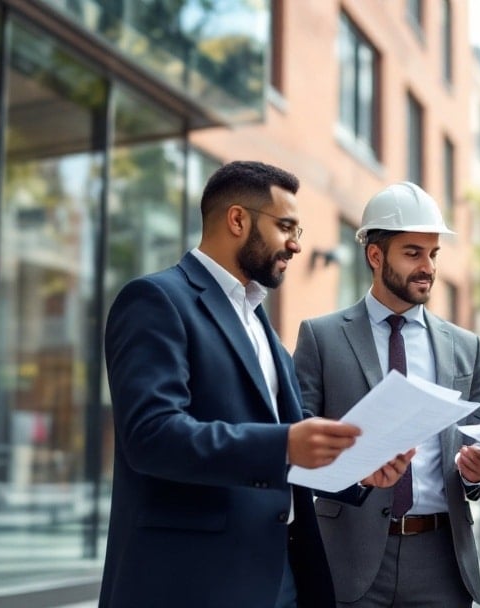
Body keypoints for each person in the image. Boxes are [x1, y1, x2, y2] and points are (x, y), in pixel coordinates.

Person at [100, 161, 408, 607]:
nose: (297, 244)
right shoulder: (156, 300)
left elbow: (288, 428)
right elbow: (150, 436)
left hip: (278, 577)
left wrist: (355, 466)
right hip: (193, 582)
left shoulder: (256, 317)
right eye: (286, 226)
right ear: (238, 219)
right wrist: (283, 445)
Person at [294, 182, 480, 607]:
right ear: (375, 255)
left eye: (433, 254)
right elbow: (297, 449)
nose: (428, 266)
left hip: (441, 558)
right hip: (350, 556)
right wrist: (357, 470)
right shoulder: (322, 337)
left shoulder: (465, 347)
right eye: (413, 253)